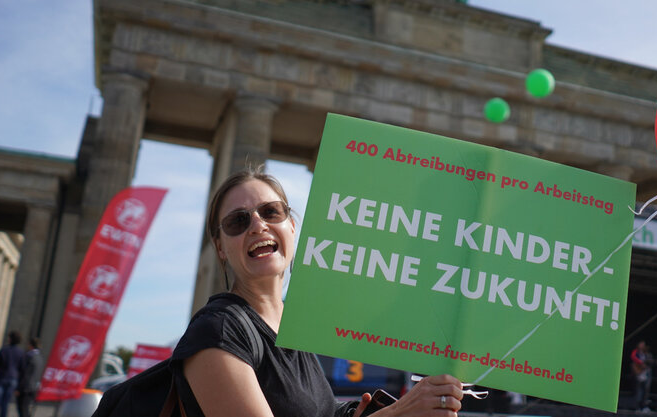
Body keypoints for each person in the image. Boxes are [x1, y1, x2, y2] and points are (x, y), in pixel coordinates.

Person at [170, 167, 464, 416]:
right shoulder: (217, 332)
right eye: (238, 221)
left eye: (271, 212)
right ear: (220, 247)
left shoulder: (293, 324)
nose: (258, 225)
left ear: (292, 226)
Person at [0, 332, 24, 417]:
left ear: (11, 339)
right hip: (13, 379)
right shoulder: (21, 352)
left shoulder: (4, 350)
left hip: (1, 378)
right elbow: (22, 368)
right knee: (5, 403)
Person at [630, 340, 657, 411]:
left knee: (646, 390)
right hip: (638, 374)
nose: (642, 346)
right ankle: (637, 406)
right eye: (641, 344)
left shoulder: (647, 354)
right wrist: (640, 365)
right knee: (638, 391)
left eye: (643, 344)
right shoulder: (635, 353)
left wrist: (655, 362)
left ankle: (644, 406)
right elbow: (634, 361)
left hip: (646, 374)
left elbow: (651, 362)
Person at [15, 338, 42, 417]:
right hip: (34, 387)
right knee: (26, 409)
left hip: (25, 387)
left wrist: (18, 388)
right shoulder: (39, 357)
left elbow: (24, 373)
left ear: (31, 345)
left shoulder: (28, 356)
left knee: (22, 409)